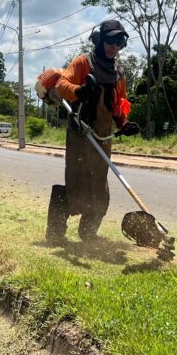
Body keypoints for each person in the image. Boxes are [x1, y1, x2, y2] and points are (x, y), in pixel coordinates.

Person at [45, 19, 139, 244]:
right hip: (81, 133)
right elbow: (61, 86)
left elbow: (117, 104)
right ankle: (55, 232)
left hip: (104, 137)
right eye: (109, 41)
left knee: (100, 189)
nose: (113, 47)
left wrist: (124, 125)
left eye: (118, 43)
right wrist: (81, 91)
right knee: (78, 185)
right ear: (101, 40)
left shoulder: (119, 72)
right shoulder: (83, 62)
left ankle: (88, 233)